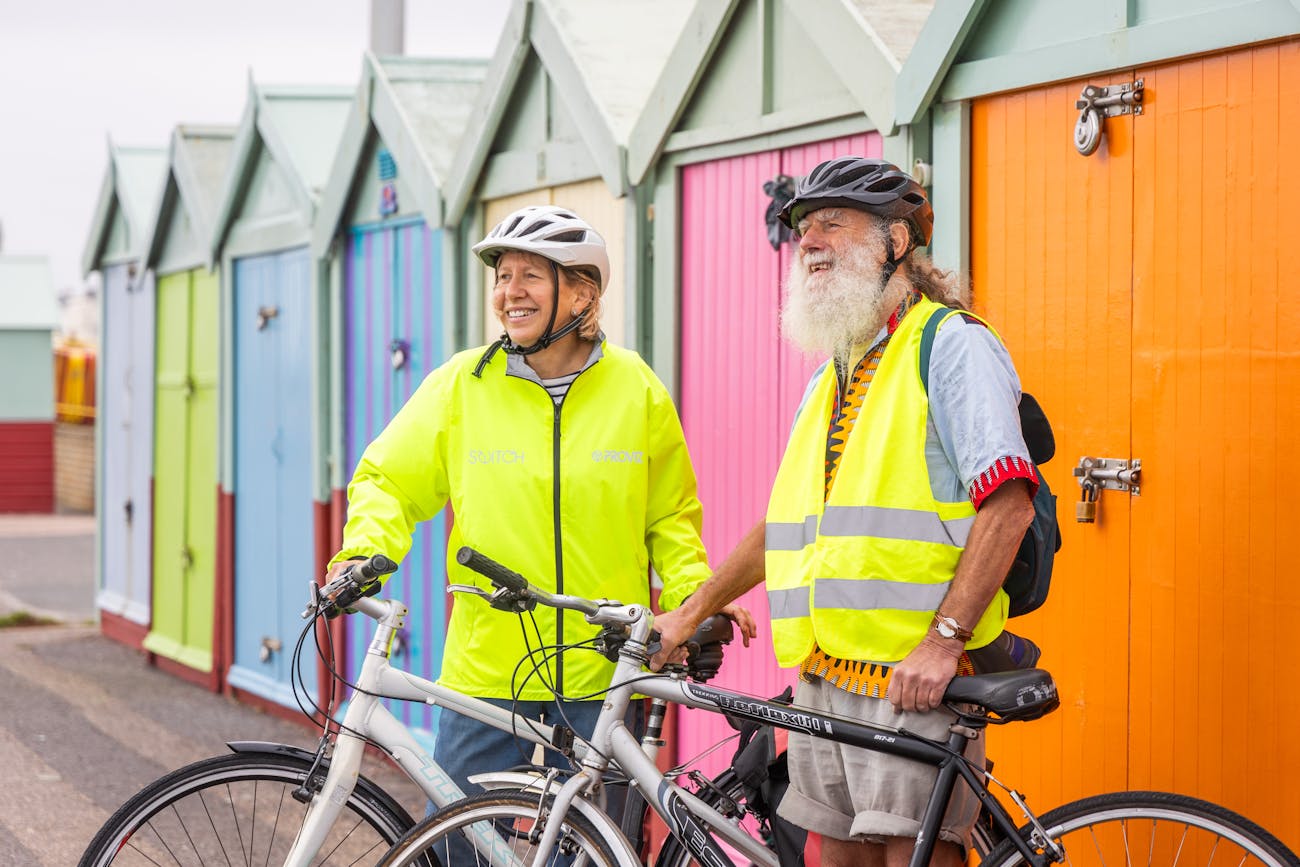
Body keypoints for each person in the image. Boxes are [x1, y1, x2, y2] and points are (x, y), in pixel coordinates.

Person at [651, 157, 1039, 867]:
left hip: (912, 678)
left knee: (908, 854)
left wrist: (945, 639)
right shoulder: (835, 368)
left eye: (833, 221)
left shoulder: (948, 345)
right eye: (803, 226)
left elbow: (1009, 503)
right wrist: (690, 608)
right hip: (826, 680)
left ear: (895, 241)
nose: (808, 240)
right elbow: (785, 525)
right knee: (830, 855)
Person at [325, 204, 754, 818]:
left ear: (581, 293)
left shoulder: (635, 388)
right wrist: (367, 552)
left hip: (598, 668)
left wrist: (692, 597)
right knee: (457, 843)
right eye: (502, 275)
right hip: (486, 667)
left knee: (583, 845)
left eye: (530, 275)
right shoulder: (461, 385)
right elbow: (387, 479)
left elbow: (669, 517)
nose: (509, 292)